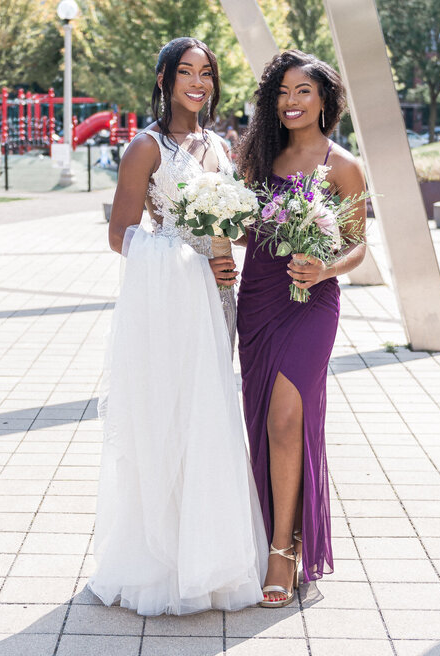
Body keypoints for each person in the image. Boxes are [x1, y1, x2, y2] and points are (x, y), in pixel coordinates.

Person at [90, 37, 268, 616]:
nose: (199, 83)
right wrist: (184, 255)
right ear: (164, 80)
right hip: (169, 304)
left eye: (207, 74)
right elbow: (121, 234)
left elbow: (236, 227)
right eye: (187, 72)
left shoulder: (222, 146)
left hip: (217, 301)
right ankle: (162, 564)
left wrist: (227, 246)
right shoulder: (145, 148)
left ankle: (214, 557)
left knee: (212, 417)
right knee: (168, 418)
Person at [235, 50, 368, 607]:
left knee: (288, 418)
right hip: (261, 297)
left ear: (324, 101)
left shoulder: (343, 165)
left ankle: (284, 550)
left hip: (313, 301)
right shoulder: (258, 158)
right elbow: (243, 231)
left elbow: (358, 246)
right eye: (283, 92)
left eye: (303, 91)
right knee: (261, 419)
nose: (291, 101)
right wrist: (213, 232)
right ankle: (260, 530)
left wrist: (324, 266)